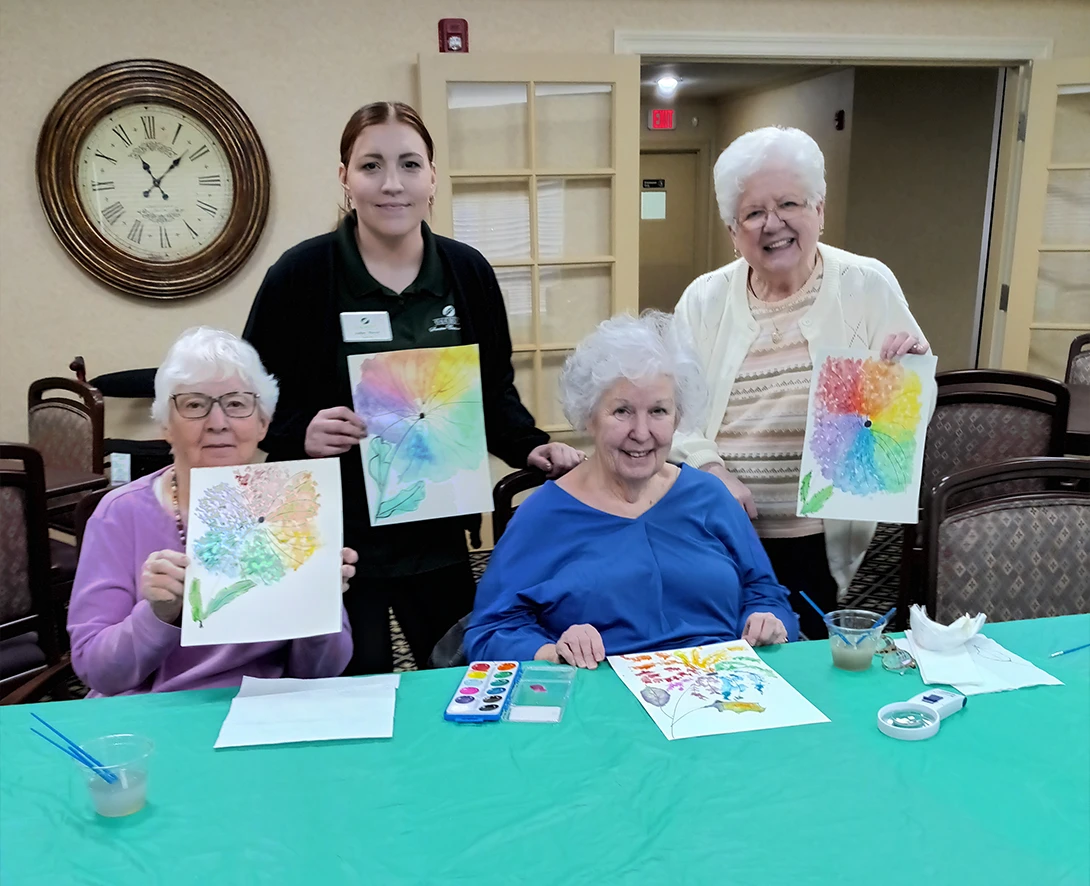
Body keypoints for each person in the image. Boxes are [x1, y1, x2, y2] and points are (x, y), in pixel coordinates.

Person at [243, 102, 582, 675]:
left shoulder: (467, 272)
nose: (392, 184)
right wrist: (299, 430)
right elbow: (248, 398)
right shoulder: (300, 275)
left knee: (459, 680)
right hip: (334, 538)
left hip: (437, 529)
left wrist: (531, 445)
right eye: (371, 166)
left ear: (432, 177)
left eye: (409, 164)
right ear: (345, 177)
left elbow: (493, 392)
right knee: (353, 692)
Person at [671, 126, 932, 639]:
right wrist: (709, 468)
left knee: (806, 653)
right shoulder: (703, 299)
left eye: (789, 203)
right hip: (718, 530)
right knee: (721, 652)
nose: (773, 224)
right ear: (732, 230)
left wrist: (908, 380)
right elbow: (671, 408)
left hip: (820, 535)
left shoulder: (866, 284)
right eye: (753, 213)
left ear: (819, 210)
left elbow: (909, 414)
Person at [465, 313, 798, 668]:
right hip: (602, 686)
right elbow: (489, 631)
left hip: (725, 683)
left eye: (658, 411)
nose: (641, 433)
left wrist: (768, 620)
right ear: (589, 416)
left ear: (678, 418)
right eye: (622, 411)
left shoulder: (710, 497)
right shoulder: (543, 516)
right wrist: (553, 651)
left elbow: (765, 592)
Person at [68, 327, 357, 697]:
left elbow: (322, 671)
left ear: (263, 423)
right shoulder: (120, 514)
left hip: (264, 711)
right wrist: (157, 615)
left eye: (236, 404)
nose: (218, 422)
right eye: (194, 405)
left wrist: (319, 604)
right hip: (154, 713)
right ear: (165, 425)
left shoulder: (293, 508)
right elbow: (98, 672)